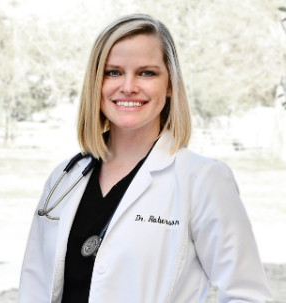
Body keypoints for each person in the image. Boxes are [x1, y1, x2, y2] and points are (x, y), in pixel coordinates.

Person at [18, 14, 273, 303]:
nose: (128, 86)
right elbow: (33, 288)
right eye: (113, 72)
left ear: (169, 85)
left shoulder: (202, 180)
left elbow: (246, 295)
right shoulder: (64, 179)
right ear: (96, 83)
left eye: (146, 73)